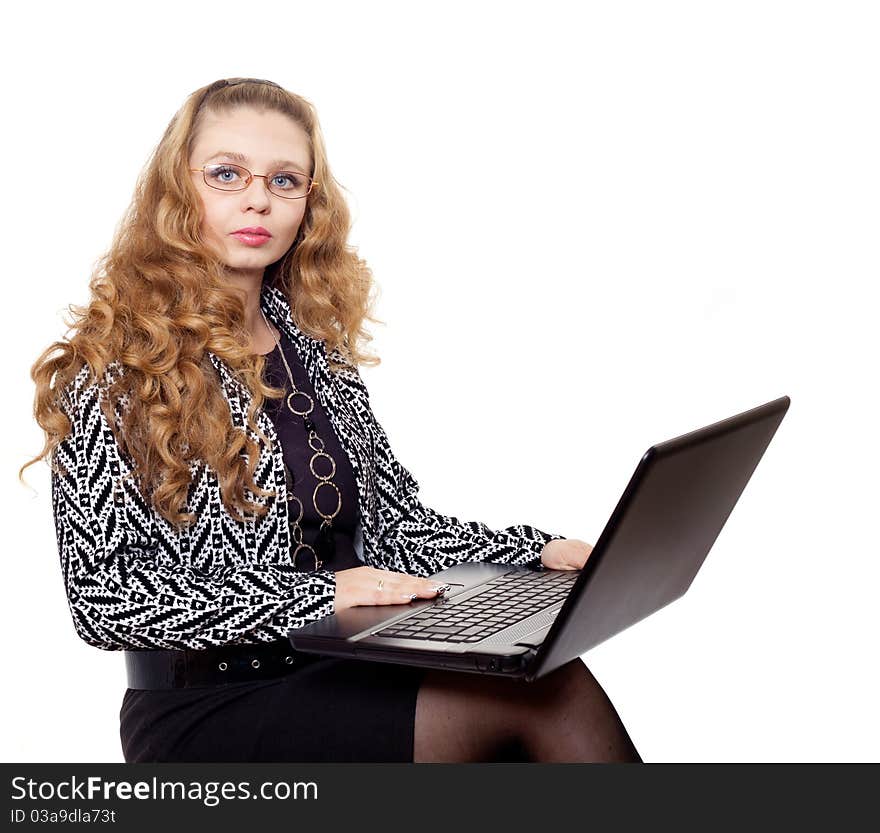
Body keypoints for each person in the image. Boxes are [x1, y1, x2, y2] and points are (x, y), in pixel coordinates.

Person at [22, 77, 642, 763]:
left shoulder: (315, 352)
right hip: (209, 707)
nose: (258, 198)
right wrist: (316, 598)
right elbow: (104, 600)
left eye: (285, 180)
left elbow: (395, 530)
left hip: (347, 671)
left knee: (539, 668)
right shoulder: (112, 369)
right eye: (227, 174)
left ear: (308, 203)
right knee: (544, 695)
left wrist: (533, 551)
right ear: (178, 188)